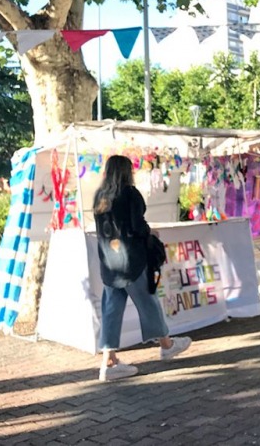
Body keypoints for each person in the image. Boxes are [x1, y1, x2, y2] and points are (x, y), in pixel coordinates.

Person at [94, 155, 191, 381]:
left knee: (111, 310)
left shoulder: (100, 197)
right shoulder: (129, 194)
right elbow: (137, 226)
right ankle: (167, 345)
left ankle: (109, 361)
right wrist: (150, 233)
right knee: (148, 302)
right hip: (132, 261)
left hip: (109, 263)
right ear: (127, 172)